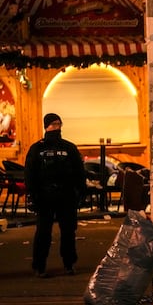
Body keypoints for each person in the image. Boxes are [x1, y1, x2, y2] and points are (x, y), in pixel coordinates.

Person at [24, 113, 87, 278]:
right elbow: (30, 174)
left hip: (64, 195)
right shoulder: (38, 149)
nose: (56, 128)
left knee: (67, 232)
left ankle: (68, 264)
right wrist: (33, 194)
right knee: (44, 232)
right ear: (46, 126)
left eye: (58, 124)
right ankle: (40, 266)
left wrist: (80, 192)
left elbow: (79, 172)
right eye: (53, 124)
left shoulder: (67, 148)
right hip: (46, 196)